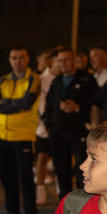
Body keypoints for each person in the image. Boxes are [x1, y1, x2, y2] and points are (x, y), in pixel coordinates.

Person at [0, 47, 41, 214]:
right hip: (0, 136)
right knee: (7, 178)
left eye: (21, 57)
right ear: (9, 60)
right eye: (14, 58)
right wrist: (14, 105)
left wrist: (5, 105)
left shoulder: (33, 79)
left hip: (23, 137)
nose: (18, 61)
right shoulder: (3, 81)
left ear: (27, 59)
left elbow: (27, 103)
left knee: (26, 178)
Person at [44, 47, 98, 198]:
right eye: (60, 60)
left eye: (66, 59)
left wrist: (78, 108)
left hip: (80, 132)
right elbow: (49, 105)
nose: (63, 63)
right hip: (58, 132)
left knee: (83, 170)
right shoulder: (56, 81)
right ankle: (65, 203)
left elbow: (96, 105)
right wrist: (50, 126)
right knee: (61, 170)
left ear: (74, 60)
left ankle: (83, 203)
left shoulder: (87, 80)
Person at [35, 48, 61, 204]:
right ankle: (40, 189)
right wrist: (43, 122)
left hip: (59, 126)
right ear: (52, 61)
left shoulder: (63, 79)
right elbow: (39, 104)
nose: (61, 64)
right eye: (58, 60)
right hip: (43, 126)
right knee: (42, 156)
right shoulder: (41, 79)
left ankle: (61, 187)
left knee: (60, 158)